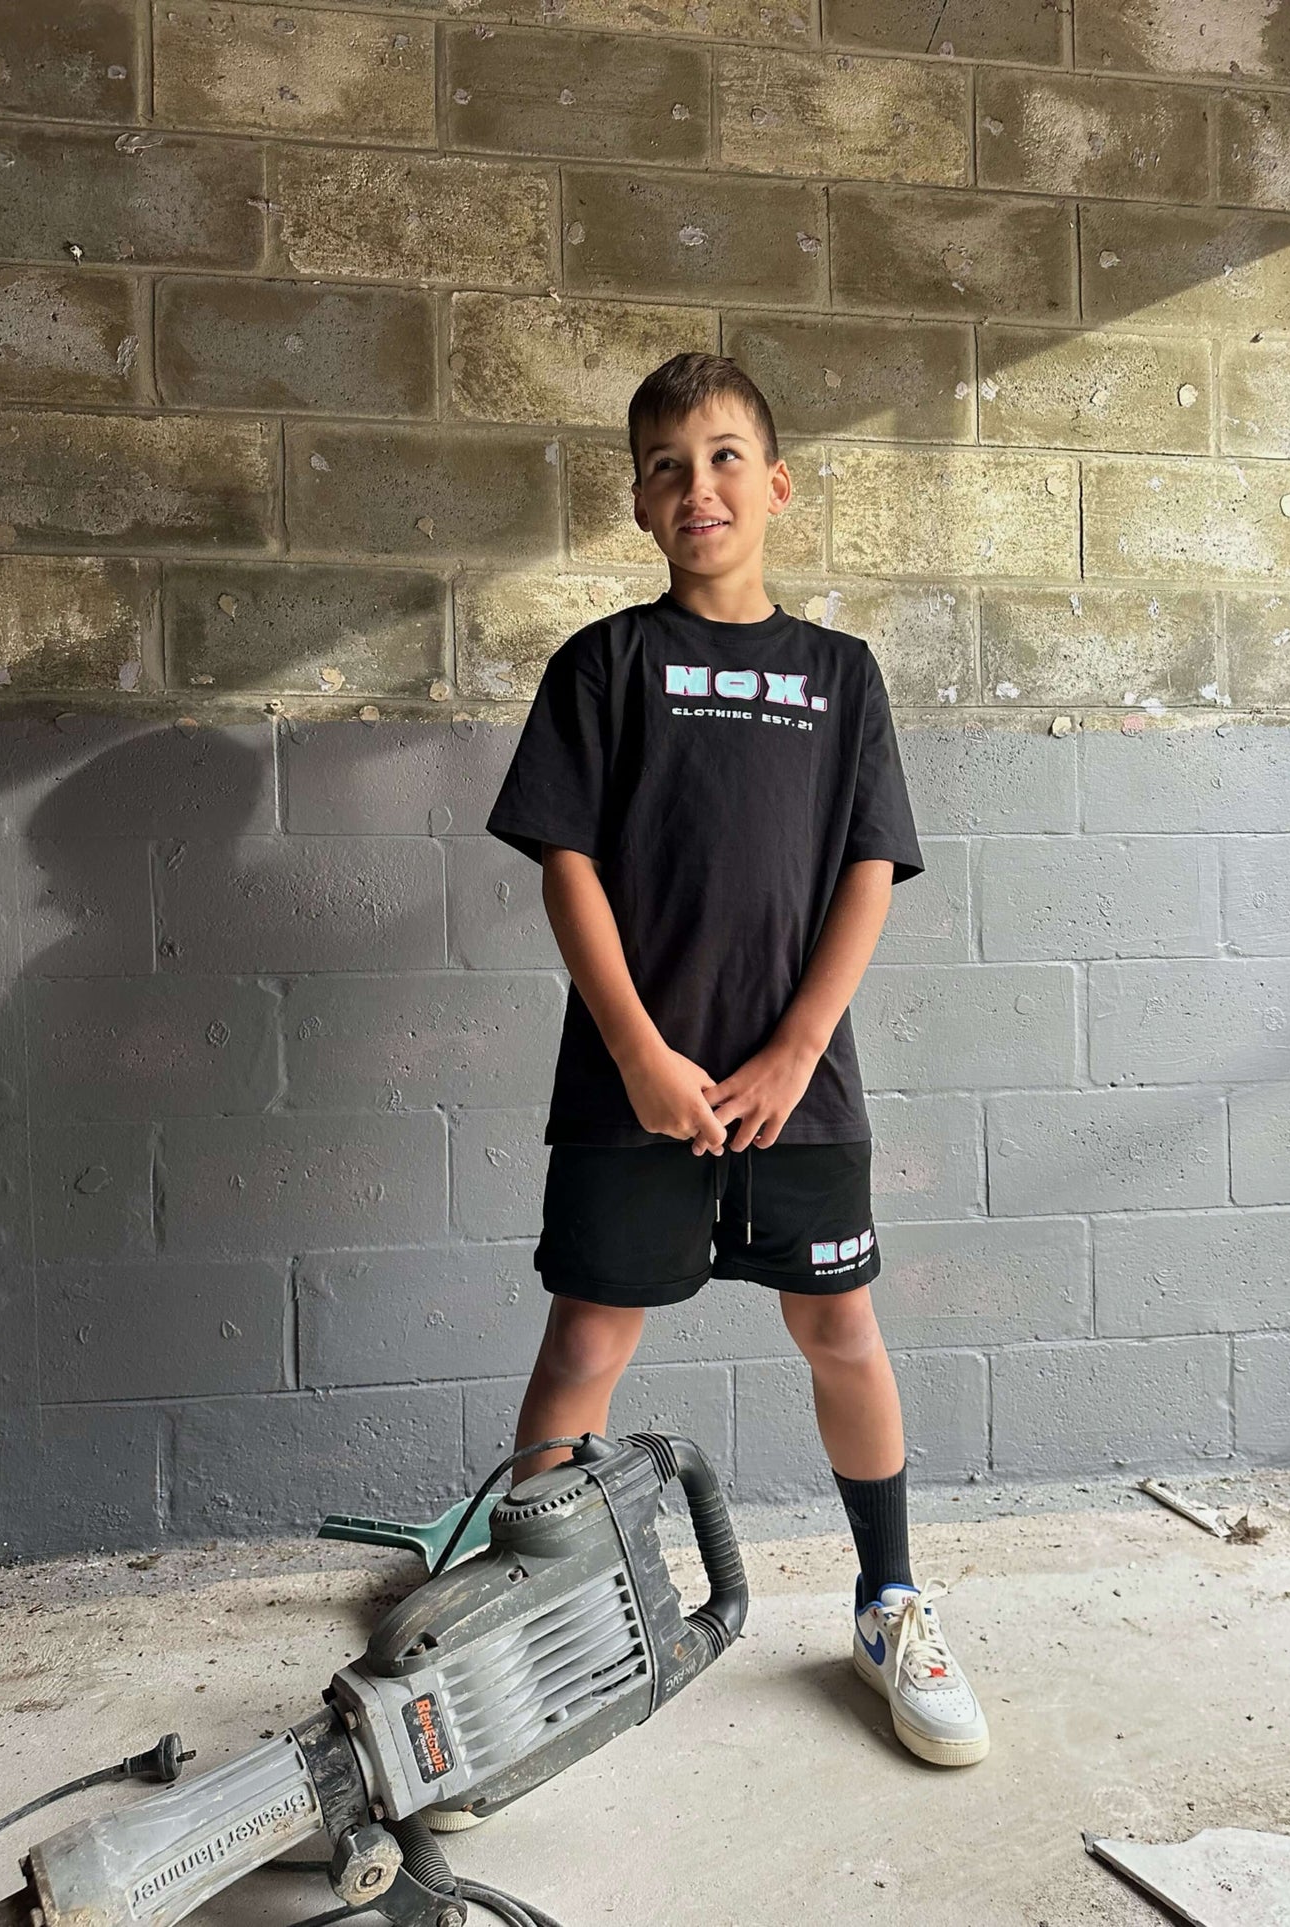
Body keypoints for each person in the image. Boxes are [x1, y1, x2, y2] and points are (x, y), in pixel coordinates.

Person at [484, 351, 989, 1768]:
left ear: (775, 485)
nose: (694, 485)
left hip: (798, 1091)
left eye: (720, 458)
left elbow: (869, 869)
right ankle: (523, 1623)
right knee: (586, 1344)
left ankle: (888, 1603)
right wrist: (641, 1054)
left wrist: (794, 1050)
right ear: (638, 504)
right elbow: (567, 867)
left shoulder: (841, 675)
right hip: (631, 1086)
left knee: (842, 1332)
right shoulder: (603, 664)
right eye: (664, 466)